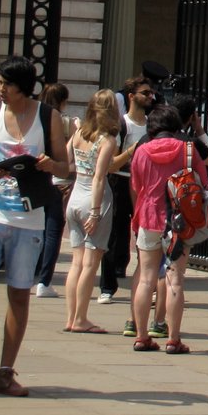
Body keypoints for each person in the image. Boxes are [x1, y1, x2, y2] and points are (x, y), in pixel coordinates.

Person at [0, 56, 68, 396]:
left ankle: (5, 372)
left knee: (19, 294)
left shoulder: (47, 117)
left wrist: (48, 164)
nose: (1, 90)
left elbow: (65, 166)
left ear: (22, 87)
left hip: (28, 219)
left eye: (6, 85)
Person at [128, 102, 207, 355]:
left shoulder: (142, 150)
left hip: (149, 216)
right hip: (178, 221)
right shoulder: (187, 149)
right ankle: (173, 338)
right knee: (175, 279)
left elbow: (137, 185)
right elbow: (203, 184)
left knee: (146, 278)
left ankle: (141, 336)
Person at [63, 90, 120, 334]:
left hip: (75, 196)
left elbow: (67, 159)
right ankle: (81, 318)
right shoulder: (107, 140)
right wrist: (96, 212)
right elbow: (100, 177)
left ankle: (71, 317)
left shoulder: (79, 133)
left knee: (76, 263)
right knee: (90, 263)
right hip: (94, 199)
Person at [100, 72, 155, 305]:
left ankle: (146, 284)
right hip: (121, 182)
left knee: (145, 235)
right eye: (145, 93)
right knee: (115, 235)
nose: (150, 97)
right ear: (132, 96)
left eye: (151, 93)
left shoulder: (153, 124)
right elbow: (110, 164)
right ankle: (107, 286)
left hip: (144, 185)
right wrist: (131, 151)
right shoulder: (121, 125)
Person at [30, 82, 70, 299]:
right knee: (52, 231)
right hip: (55, 180)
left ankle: (32, 272)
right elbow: (67, 155)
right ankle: (44, 279)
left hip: (36, 181)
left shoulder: (34, 116)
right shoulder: (62, 121)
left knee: (36, 229)